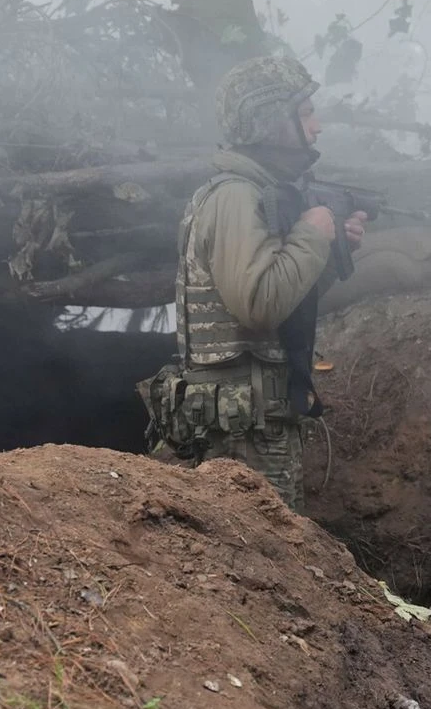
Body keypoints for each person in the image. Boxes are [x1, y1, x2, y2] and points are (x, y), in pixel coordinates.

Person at [137, 56, 365, 511]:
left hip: (254, 427)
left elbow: (281, 307)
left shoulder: (252, 192)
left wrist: (327, 254)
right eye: (304, 114)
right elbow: (258, 303)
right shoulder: (237, 196)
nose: (317, 127)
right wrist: (311, 235)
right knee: (263, 566)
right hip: (242, 438)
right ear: (268, 122)